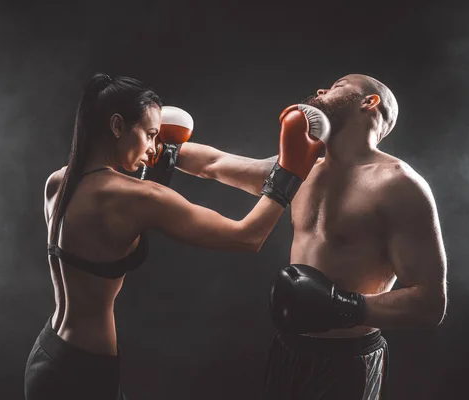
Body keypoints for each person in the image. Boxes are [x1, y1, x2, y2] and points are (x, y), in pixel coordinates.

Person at [23, 73, 330, 400]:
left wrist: (153, 155)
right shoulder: (139, 198)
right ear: (116, 126)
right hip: (85, 376)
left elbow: (109, 224)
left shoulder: (58, 181)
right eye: (151, 135)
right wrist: (290, 173)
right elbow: (247, 237)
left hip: (47, 354)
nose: (155, 148)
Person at [176, 74, 448, 399]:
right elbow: (215, 163)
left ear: (369, 102)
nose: (321, 90)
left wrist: (342, 307)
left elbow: (430, 303)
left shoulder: (399, 186)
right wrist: (157, 147)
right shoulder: (302, 171)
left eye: (338, 86)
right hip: (288, 349)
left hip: (347, 361)